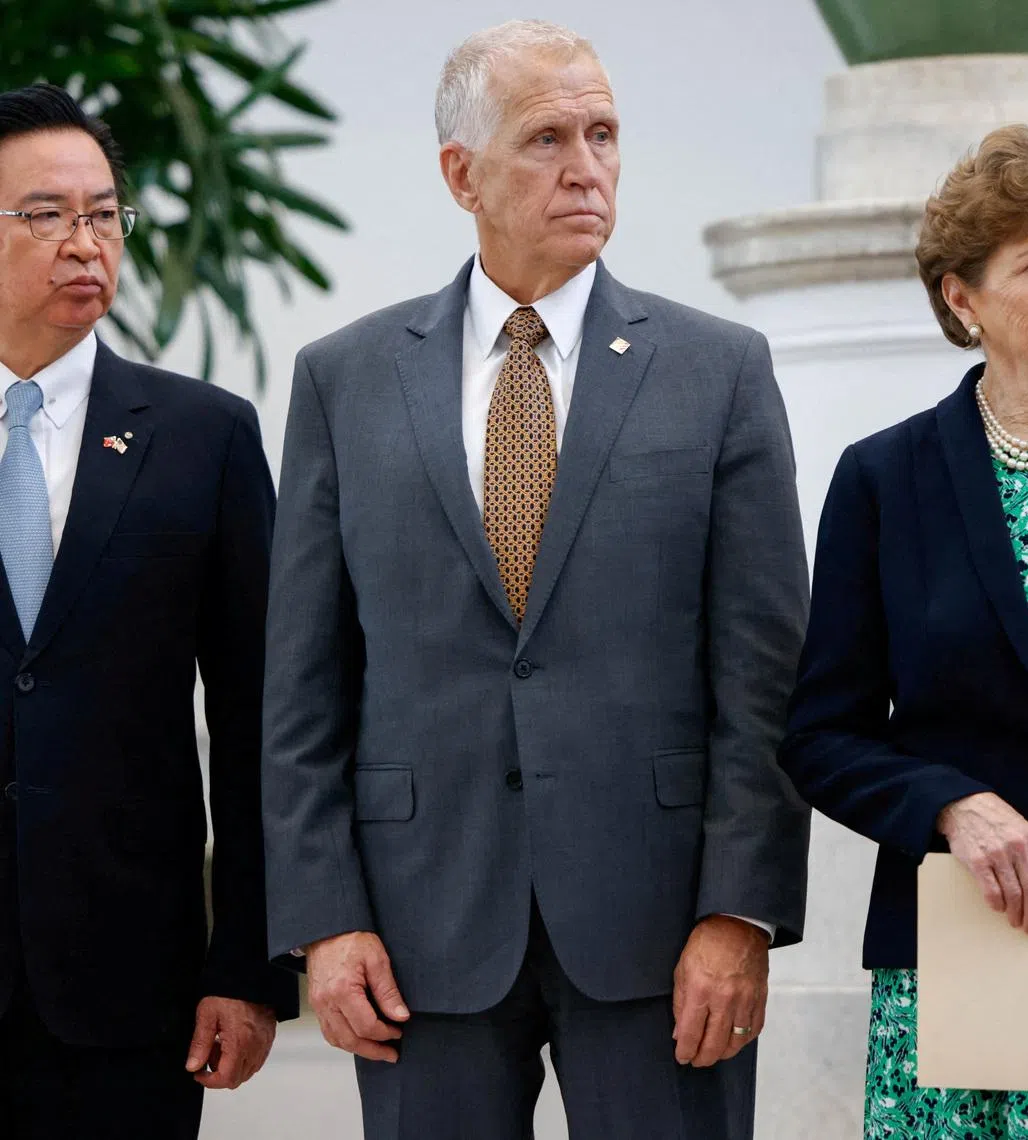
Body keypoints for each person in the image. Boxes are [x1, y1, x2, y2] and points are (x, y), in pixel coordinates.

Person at [262, 19, 810, 1140]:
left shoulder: (719, 373)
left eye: (603, 134)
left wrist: (740, 913)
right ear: (461, 173)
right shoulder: (344, 380)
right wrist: (325, 921)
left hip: (661, 929)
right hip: (418, 930)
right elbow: (303, 687)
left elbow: (766, 676)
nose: (586, 166)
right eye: (547, 138)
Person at [779, 124, 1028, 1138]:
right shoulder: (884, 480)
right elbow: (822, 734)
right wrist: (948, 805)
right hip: (959, 967)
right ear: (962, 298)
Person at [0, 84, 297, 1139]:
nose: (84, 241)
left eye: (102, 213)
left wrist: (251, 963)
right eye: (45, 214)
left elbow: (268, 715)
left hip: (129, 990)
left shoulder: (204, 437)